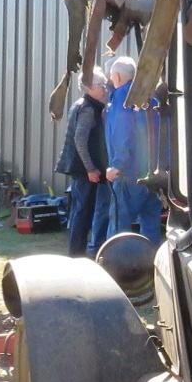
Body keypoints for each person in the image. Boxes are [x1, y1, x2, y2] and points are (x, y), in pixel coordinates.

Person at [97, 55, 165, 247]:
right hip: (153, 174)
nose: (110, 81)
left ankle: (117, 268)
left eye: (111, 77)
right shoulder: (151, 97)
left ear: (117, 77)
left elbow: (122, 131)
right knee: (151, 226)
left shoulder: (121, 96)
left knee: (119, 228)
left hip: (128, 175)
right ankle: (151, 267)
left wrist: (117, 165)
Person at [54, 76, 108, 257]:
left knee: (81, 210)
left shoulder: (80, 104)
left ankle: (76, 252)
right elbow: (79, 139)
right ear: (90, 87)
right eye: (101, 85)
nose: (104, 88)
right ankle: (76, 254)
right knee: (82, 212)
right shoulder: (87, 109)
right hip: (85, 170)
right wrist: (90, 168)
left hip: (81, 168)